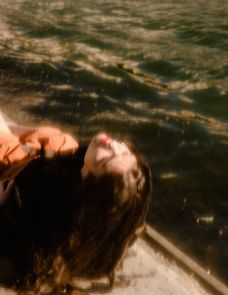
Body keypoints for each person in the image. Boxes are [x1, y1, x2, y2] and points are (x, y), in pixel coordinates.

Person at [0, 113, 152, 293]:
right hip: (33, 160)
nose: (113, 145)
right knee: (60, 140)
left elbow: (18, 245)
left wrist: (5, 203)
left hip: (10, 178)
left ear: (87, 178)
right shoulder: (110, 222)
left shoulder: (46, 208)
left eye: (104, 160)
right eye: (123, 151)